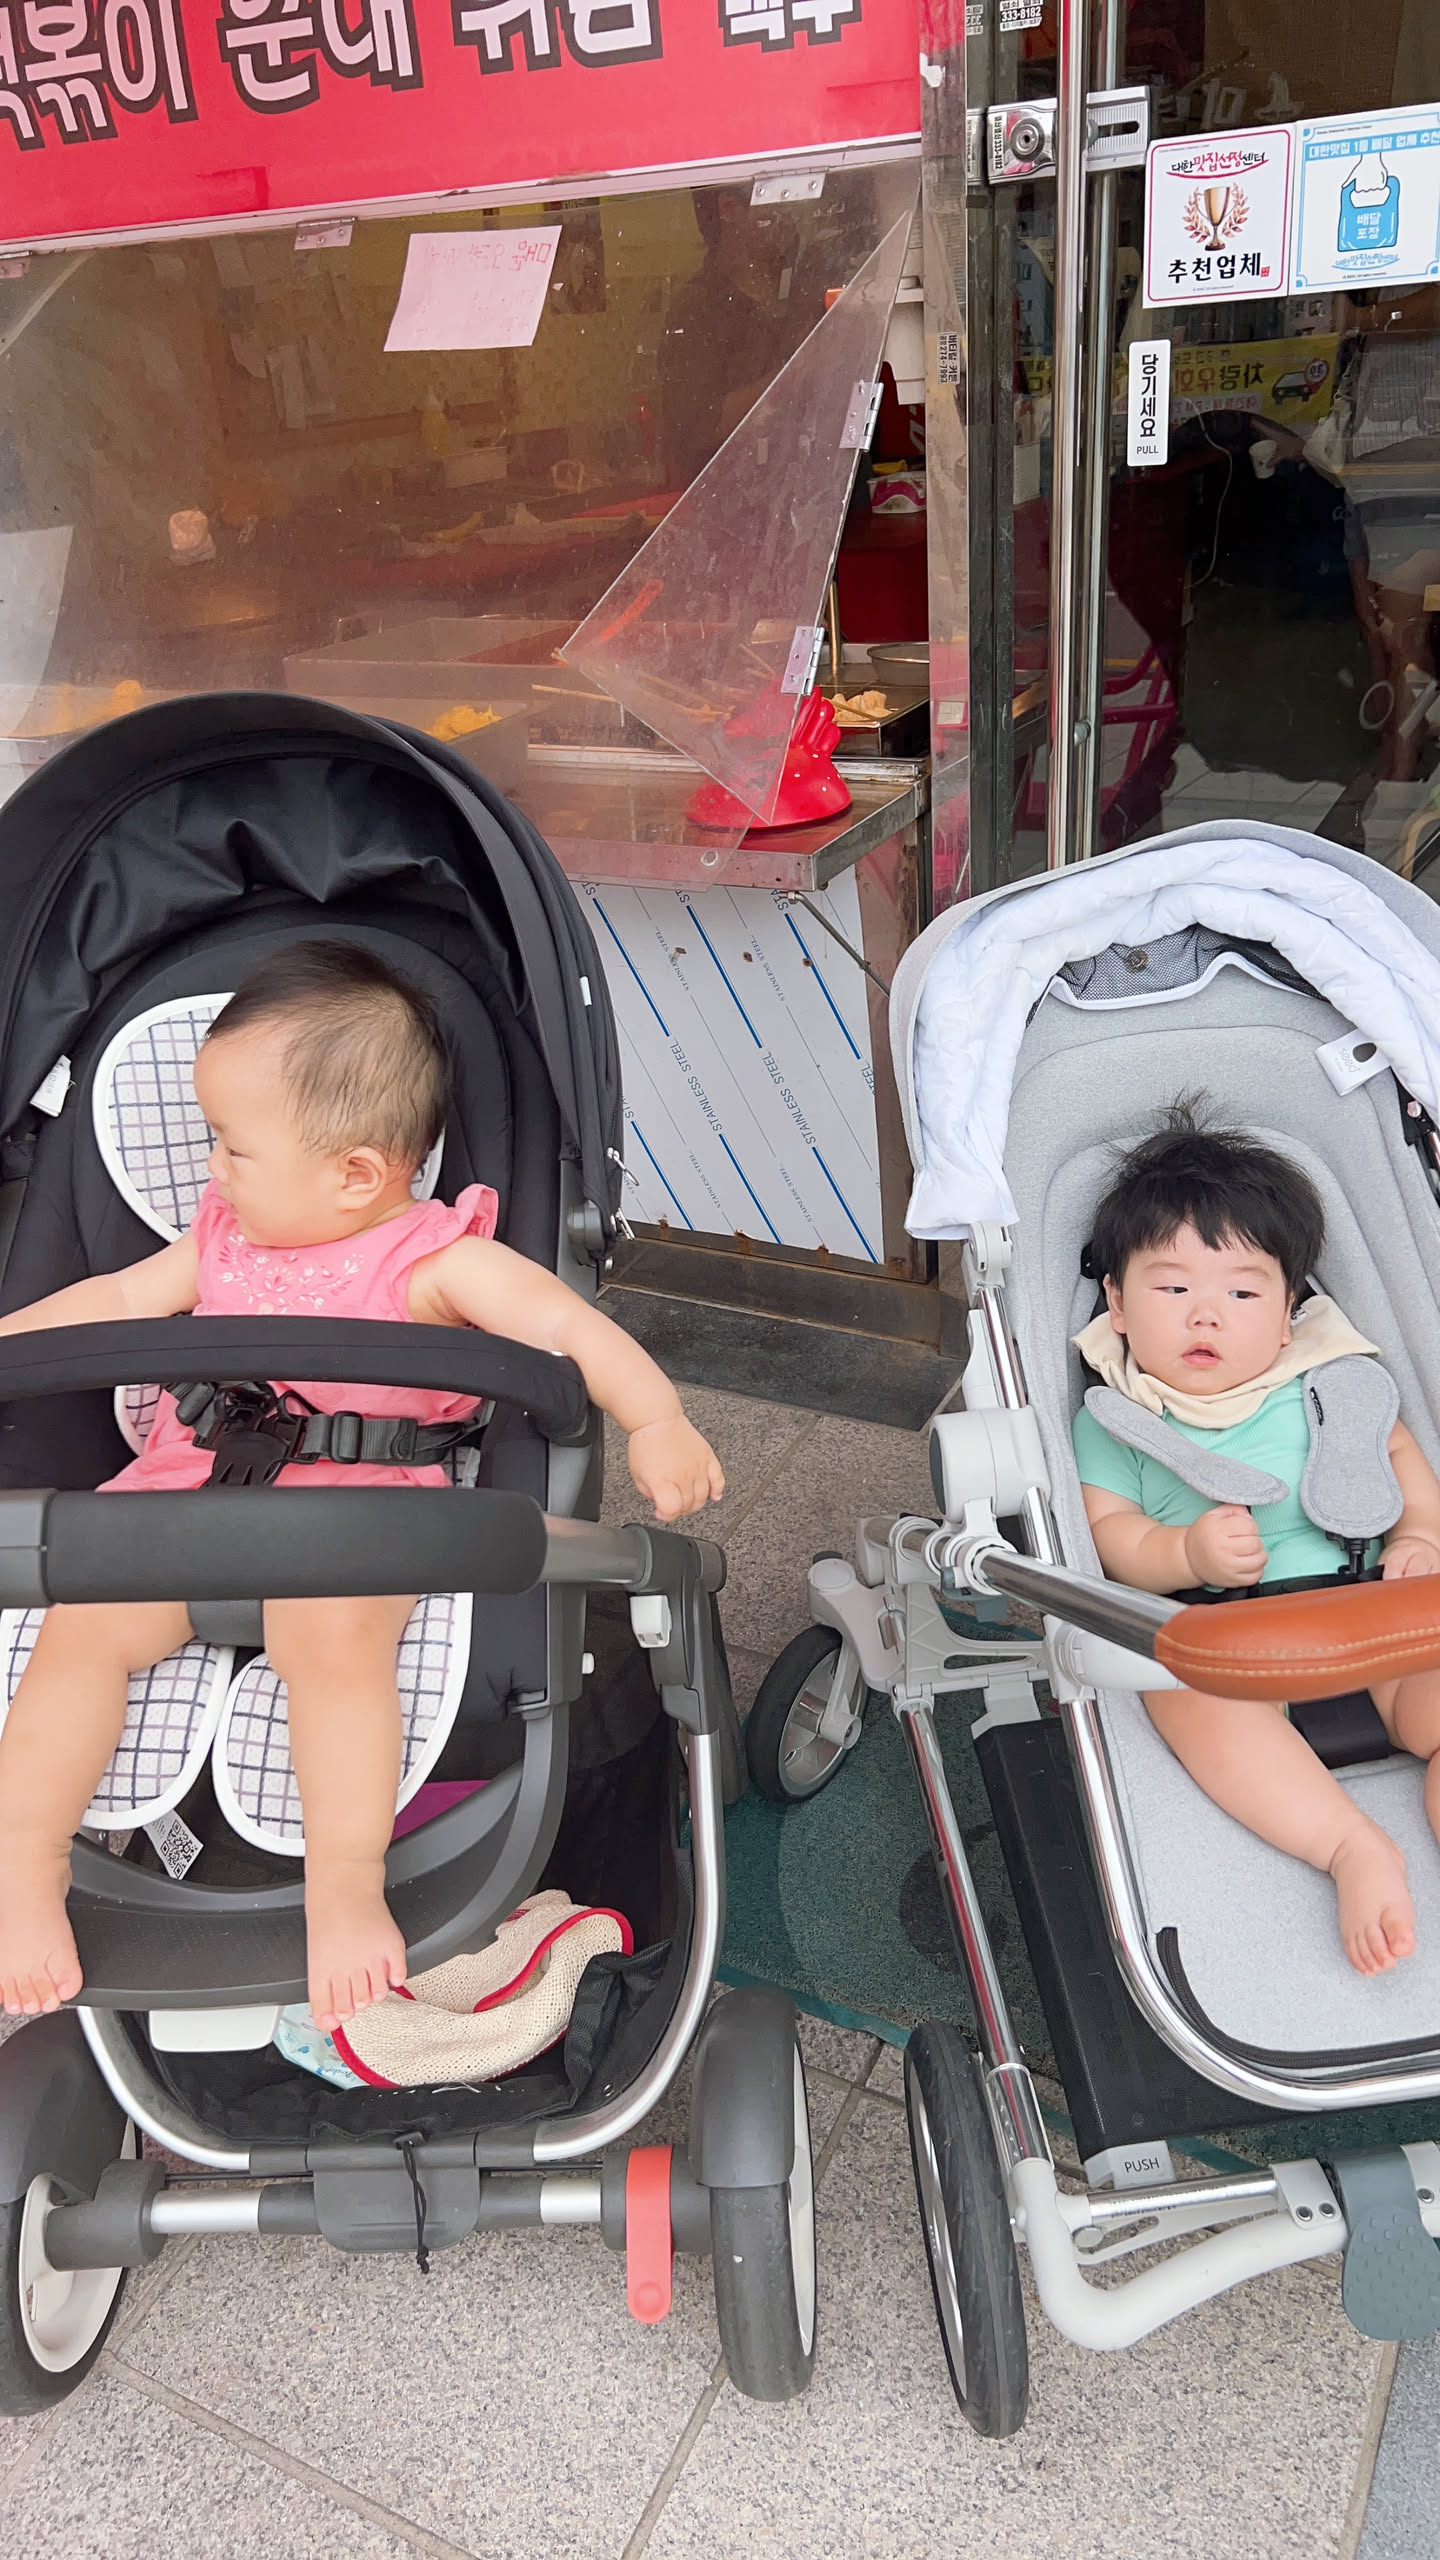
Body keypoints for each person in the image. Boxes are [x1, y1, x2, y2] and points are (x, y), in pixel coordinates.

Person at [0, 943, 724, 2032]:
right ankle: (24, 1864)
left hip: (358, 1511)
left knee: (332, 1647)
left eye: (232, 1146)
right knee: (79, 1630)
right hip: (191, 1484)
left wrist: (657, 1417)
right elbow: (112, 1300)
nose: (211, 1170)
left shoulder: (436, 1261)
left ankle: (343, 1887)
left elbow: (567, 1328)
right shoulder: (221, 1239)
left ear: (355, 1173)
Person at [1071, 1104, 1440, 1979]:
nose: (1206, 1317)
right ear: (1117, 1304)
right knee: (1182, 1695)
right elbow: (1111, 1534)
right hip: (1227, 1638)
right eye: (1172, 1291)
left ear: (1287, 1316)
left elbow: (1396, 1457)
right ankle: (1351, 1846)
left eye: (1241, 1294)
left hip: (1372, 1610)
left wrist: (1420, 1533)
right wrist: (1185, 1556)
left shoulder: (1329, 1382)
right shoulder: (1120, 1419)